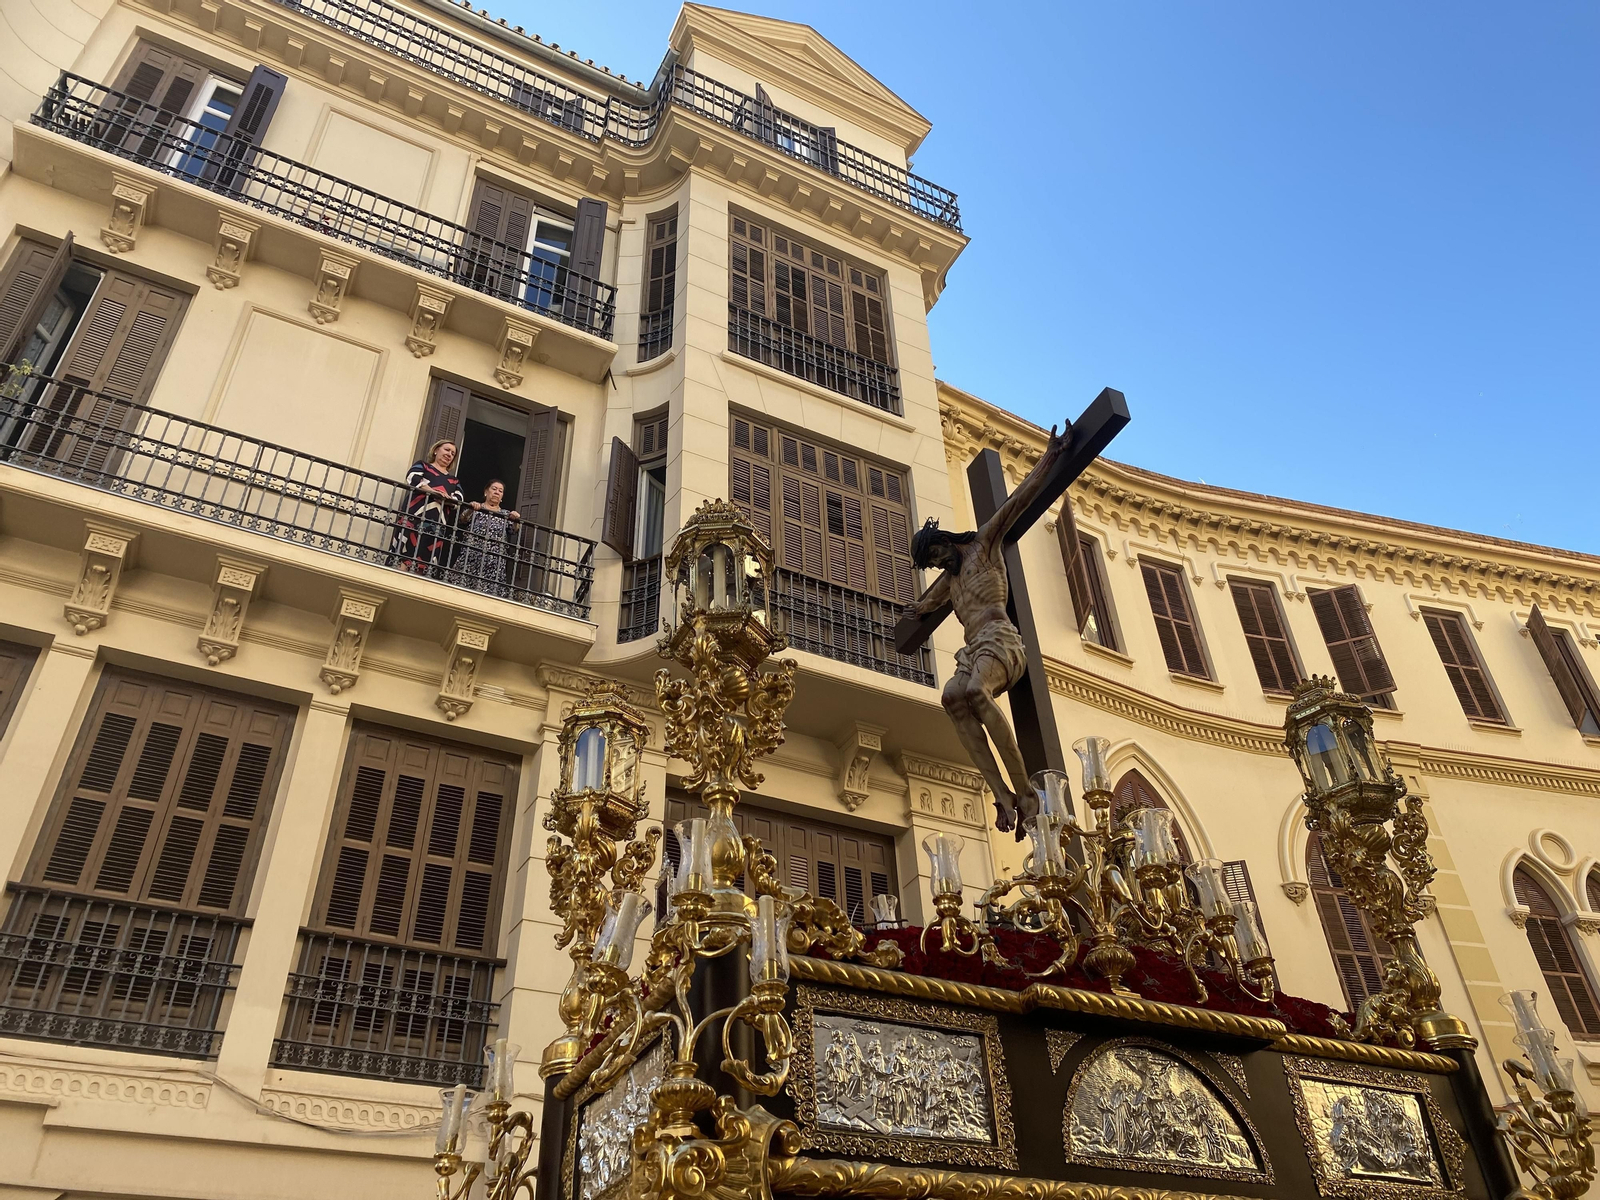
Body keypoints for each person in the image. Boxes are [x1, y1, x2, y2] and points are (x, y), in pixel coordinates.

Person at [908, 423, 1070, 835]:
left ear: (944, 541)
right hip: (973, 648)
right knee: (952, 698)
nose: (941, 566)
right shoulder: (949, 583)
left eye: (939, 556)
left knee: (977, 693)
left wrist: (1051, 456)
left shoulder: (984, 544)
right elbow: (918, 609)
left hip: (1001, 640)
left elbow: (1018, 501)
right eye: (933, 565)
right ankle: (1003, 794)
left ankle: (1028, 793)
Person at [392, 440, 463, 576]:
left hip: (436, 526)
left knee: (427, 556)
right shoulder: (423, 466)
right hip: (414, 518)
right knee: (404, 550)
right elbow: (412, 477)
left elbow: (459, 499)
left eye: (453, 453)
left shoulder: (454, 481)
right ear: (436, 450)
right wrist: (433, 492)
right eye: (447, 450)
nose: (449, 454)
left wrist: (446, 500)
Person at [448, 479, 521, 597]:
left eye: (500, 491)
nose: (497, 492)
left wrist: (516, 520)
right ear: (486, 492)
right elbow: (463, 519)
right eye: (494, 489)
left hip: (494, 562)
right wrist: (471, 509)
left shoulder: (506, 514)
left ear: (502, 496)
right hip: (471, 558)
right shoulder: (476, 508)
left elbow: (514, 530)